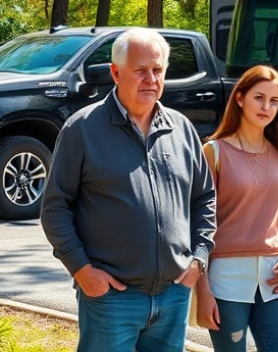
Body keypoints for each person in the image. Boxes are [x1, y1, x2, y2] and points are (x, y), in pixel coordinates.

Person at [40, 27, 216, 352]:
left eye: (158, 70)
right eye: (141, 70)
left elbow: (204, 196)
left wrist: (199, 258)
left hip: (174, 294)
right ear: (116, 72)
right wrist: (82, 270)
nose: (151, 79)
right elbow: (55, 208)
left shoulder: (181, 129)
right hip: (111, 299)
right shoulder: (82, 129)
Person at [196, 65, 278, 352]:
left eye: (274, 101)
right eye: (259, 97)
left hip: (275, 279)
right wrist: (203, 291)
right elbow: (197, 225)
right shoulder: (214, 152)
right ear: (240, 98)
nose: (266, 106)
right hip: (225, 281)